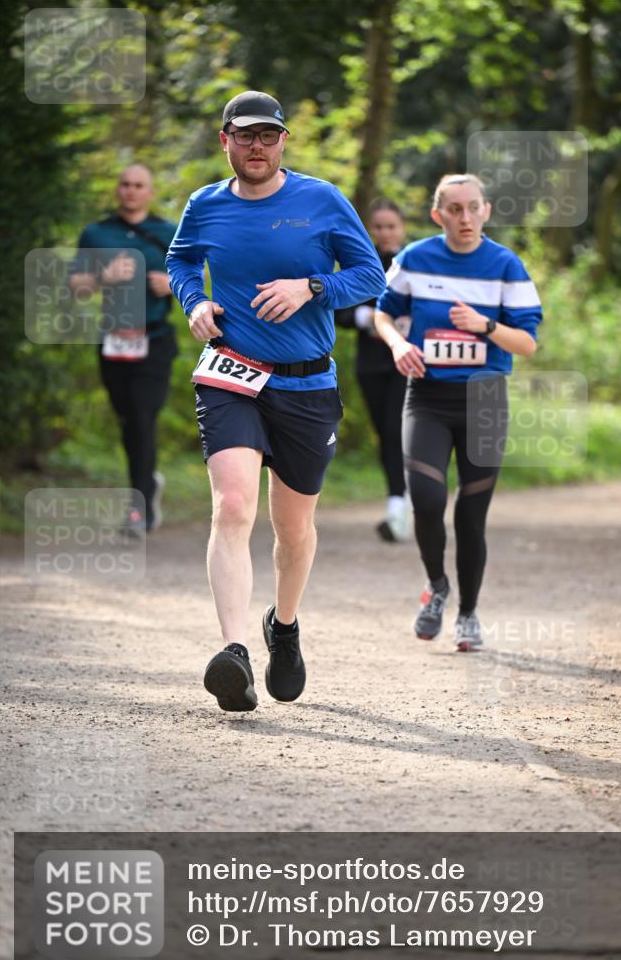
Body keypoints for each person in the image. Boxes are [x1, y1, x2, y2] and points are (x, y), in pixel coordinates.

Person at [166, 91, 386, 712]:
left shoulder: (322, 199)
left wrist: (311, 286)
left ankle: (282, 627)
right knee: (233, 506)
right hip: (231, 374)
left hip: (306, 383)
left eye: (268, 135)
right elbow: (181, 262)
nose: (256, 146)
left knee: (293, 529)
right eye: (245, 135)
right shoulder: (204, 205)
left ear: (284, 141)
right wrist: (195, 303)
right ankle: (233, 653)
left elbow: (371, 276)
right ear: (225, 141)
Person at [375, 174, 542, 650]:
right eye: (454, 209)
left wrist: (484, 325)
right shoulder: (415, 258)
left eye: (473, 208)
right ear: (438, 215)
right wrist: (398, 344)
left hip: (484, 400)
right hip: (427, 397)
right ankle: (437, 586)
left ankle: (468, 613)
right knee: (426, 499)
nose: (465, 218)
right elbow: (384, 312)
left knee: (471, 516)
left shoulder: (506, 266)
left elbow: (527, 343)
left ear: (486, 211)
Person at [69, 164, 177, 534]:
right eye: (126, 184)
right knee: (128, 419)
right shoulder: (97, 233)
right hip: (113, 340)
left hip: (156, 340)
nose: (131, 190)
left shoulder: (169, 232)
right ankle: (148, 483)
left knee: (143, 418)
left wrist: (172, 283)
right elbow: (75, 288)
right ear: (118, 189)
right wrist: (104, 277)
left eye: (139, 185)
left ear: (150, 192)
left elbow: (196, 277)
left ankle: (139, 508)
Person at [336, 200, 412, 542]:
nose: (384, 232)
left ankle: (401, 505)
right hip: (370, 364)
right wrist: (364, 317)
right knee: (385, 431)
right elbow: (338, 310)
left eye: (391, 226)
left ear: (402, 227)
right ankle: (398, 498)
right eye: (378, 226)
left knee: (398, 429)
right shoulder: (359, 263)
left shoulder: (415, 263)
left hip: (407, 361)